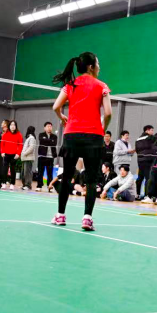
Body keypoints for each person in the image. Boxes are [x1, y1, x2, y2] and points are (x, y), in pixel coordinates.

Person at [51, 51, 112, 230]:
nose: (99, 67)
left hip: (72, 135)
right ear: (91, 67)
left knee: (67, 176)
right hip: (94, 136)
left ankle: (60, 215)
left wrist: (62, 116)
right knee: (91, 180)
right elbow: (108, 113)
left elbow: (56, 106)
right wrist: (102, 127)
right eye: (98, 64)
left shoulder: (70, 85)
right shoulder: (102, 86)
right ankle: (87, 218)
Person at [135, 125, 157, 199]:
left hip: (140, 160)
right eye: (151, 130)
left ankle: (137, 194)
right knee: (148, 178)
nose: (152, 132)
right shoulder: (149, 138)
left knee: (140, 177)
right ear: (147, 130)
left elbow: (137, 150)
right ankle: (146, 195)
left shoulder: (138, 139)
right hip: (147, 160)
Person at [0, 120, 23, 189]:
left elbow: (20, 145)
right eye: (11, 125)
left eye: (14, 125)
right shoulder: (5, 134)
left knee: (13, 169)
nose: (13, 126)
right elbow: (2, 144)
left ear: (16, 126)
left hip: (14, 155)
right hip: (6, 154)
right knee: (5, 169)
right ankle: (4, 183)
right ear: (9, 126)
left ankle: (12, 184)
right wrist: (2, 152)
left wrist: (18, 154)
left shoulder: (19, 134)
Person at [37, 121, 58, 189]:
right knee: (40, 172)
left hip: (50, 157)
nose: (49, 128)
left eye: (50, 126)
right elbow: (41, 141)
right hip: (42, 156)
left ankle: (49, 186)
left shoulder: (54, 136)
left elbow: (54, 143)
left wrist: (46, 140)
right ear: (45, 128)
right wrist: (50, 141)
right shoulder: (41, 134)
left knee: (50, 173)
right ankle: (39, 186)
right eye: (48, 126)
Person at [20, 125, 38, 190]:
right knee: (23, 173)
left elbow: (31, 148)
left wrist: (24, 153)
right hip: (25, 158)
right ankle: (24, 185)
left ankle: (28, 185)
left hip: (28, 158)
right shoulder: (29, 138)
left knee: (27, 172)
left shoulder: (32, 138)